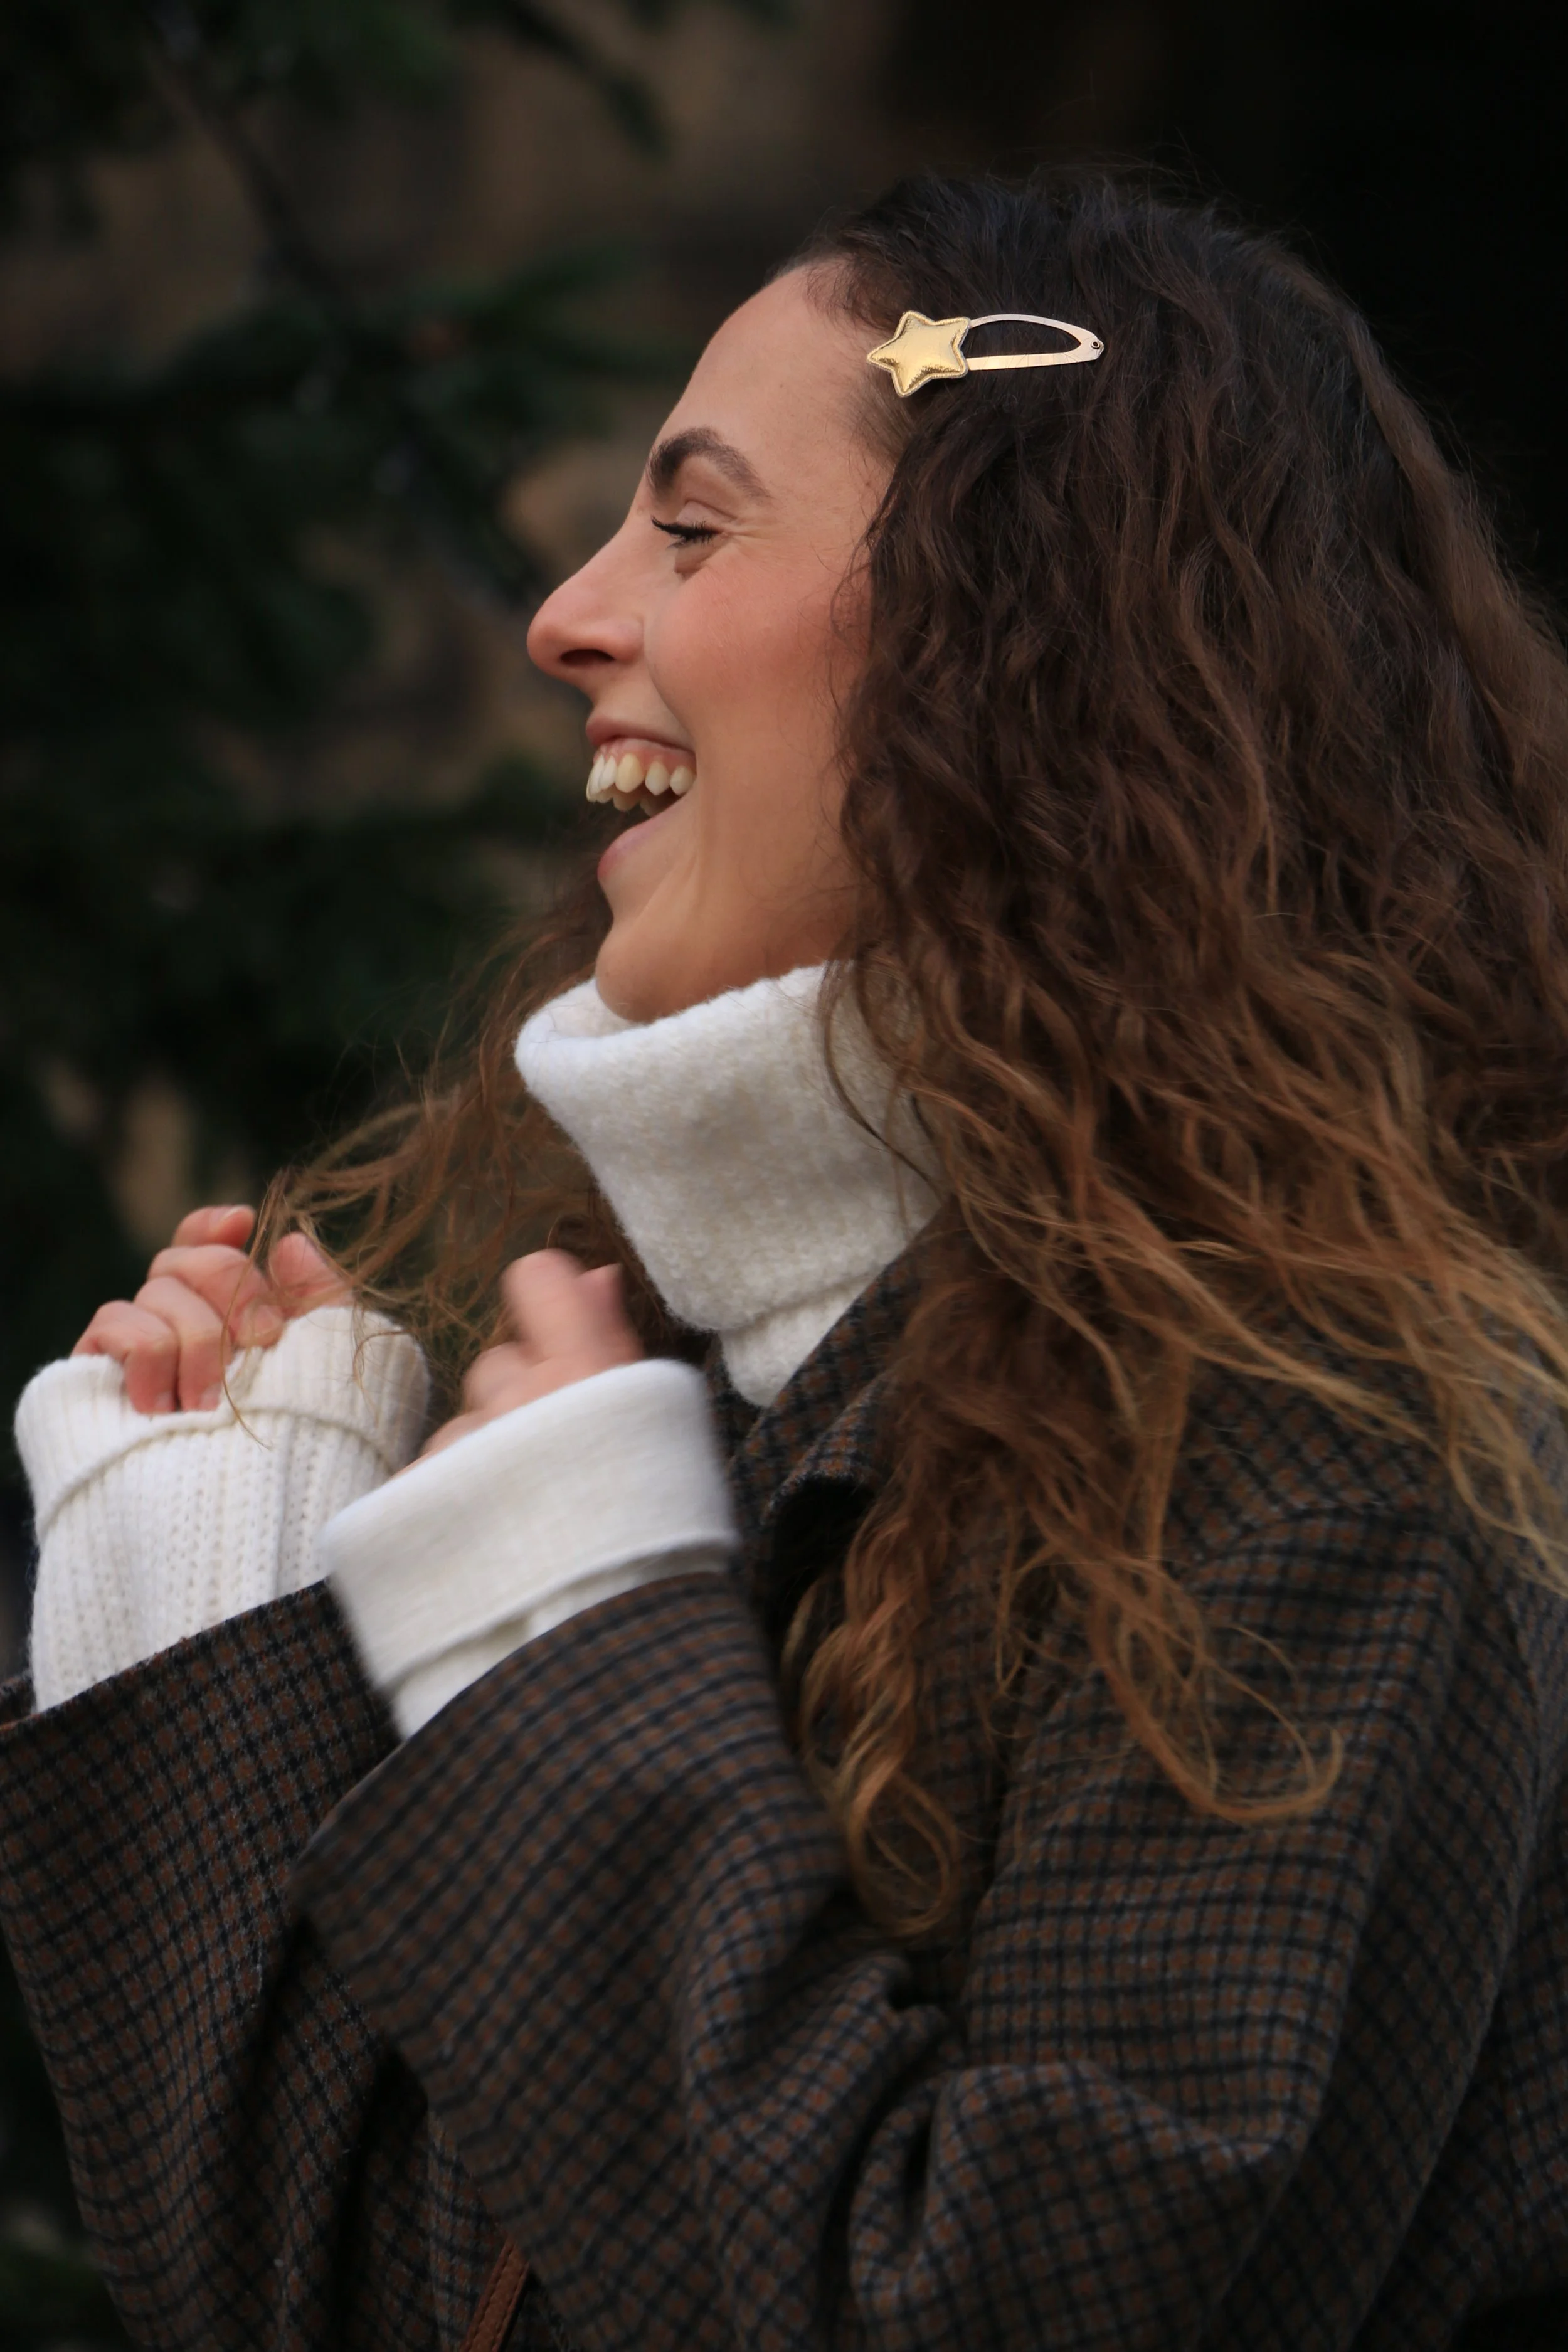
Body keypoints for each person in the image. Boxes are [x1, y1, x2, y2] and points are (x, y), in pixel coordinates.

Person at [3, 171, 1567, 2352]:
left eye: (694, 526)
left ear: (1022, 627)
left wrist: (563, 1636)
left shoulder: (1319, 1437)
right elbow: (334, 2301)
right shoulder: (713, 1381)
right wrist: (214, 1610)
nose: (564, 610)